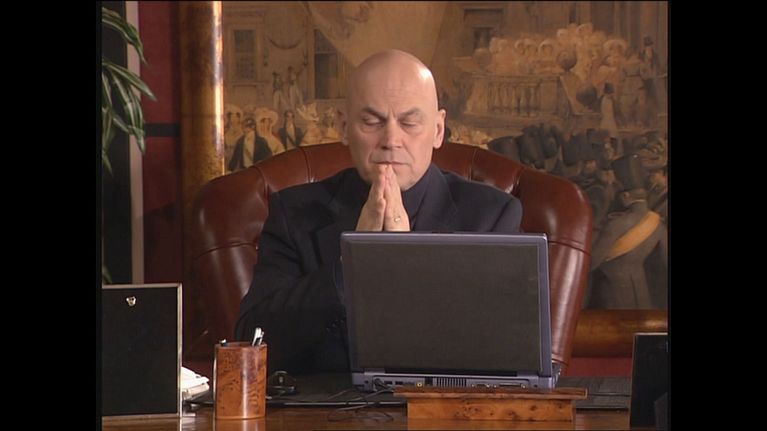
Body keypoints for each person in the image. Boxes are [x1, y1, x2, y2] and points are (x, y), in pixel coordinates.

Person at [234, 49, 523, 373]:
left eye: (410, 122)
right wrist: (354, 263)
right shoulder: (295, 213)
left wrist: (404, 261)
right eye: (372, 122)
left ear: (438, 130)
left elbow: (505, 354)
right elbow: (252, 345)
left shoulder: (491, 216)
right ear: (344, 126)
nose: (391, 140)